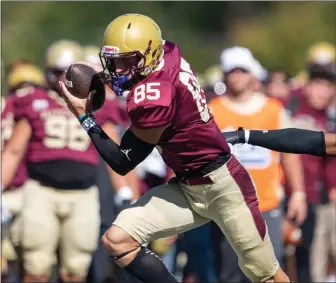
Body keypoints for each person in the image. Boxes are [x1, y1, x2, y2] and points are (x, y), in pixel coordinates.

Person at [59, 13, 318, 283]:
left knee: (267, 276)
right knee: (117, 240)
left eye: (127, 62)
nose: (119, 70)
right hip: (187, 188)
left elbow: (122, 161)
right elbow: (140, 74)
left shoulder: (154, 98)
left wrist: (84, 117)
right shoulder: (167, 51)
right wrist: (103, 74)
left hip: (224, 187)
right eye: (114, 62)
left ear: (148, 54)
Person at [1, 40, 128, 283]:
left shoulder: (97, 103)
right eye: (57, 72)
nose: (63, 78)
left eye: (67, 72)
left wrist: (126, 191)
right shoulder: (35, 100)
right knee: (36, 265)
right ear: (48, 72)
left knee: (75, 270)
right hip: (41, 191)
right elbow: (14, 150)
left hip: (83, 194)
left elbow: (115, 153)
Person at [208, 46, 306, 283]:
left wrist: (299, 194)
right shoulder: (212, 111)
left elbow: (290, 155)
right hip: (227, 207)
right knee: (231, 273)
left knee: (271, 271)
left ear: (252, 73)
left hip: (266, 205)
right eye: (232, 71)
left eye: (242, 70)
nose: (237, 76)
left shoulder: (273, 109)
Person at [1, 62, 46, 282]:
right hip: (16, 190)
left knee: (29, 260)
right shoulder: (34, 110)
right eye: (22, 87)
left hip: (26, 191)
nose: (26, 92)